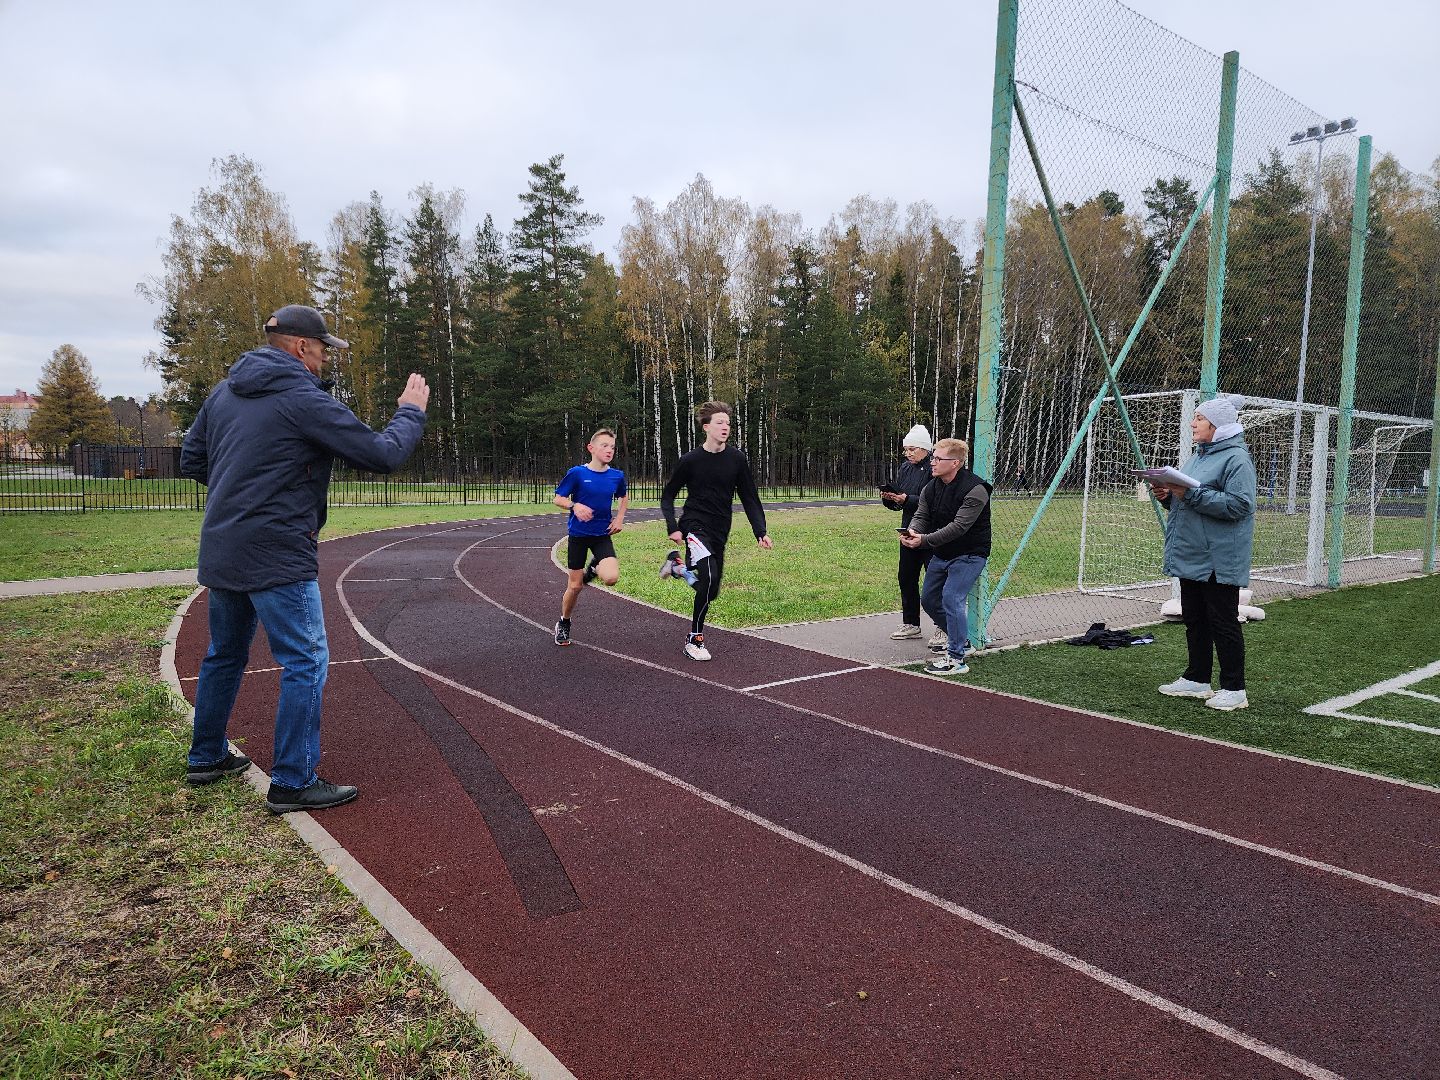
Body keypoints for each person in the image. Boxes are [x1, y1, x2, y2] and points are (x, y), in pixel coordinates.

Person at [180, 305, 430, 813]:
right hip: (277, 553)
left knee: (225, 653)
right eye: (322, 350)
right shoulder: (302, 398)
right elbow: (381, 455)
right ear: (300, 347)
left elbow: (192, 458)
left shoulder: (224, 392)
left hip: (225, 546)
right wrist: (410, 412)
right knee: (306, 659)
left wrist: (244, 496)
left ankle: (205, 755)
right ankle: (293, 781)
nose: (324, 360)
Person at [1151, 393, 1256, 712]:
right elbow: (1188, 499)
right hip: (1192, 552)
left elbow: (1240, 505)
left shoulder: (1237, 459)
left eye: (1199, 418)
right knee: (1194, 617)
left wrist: (1190, 494)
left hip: (1218, 556)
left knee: (1223, 620)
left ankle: (1234, 688)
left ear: (1217, 425)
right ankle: (1197, 679)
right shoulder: (1198, 456)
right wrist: (1168, 496)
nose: (1193, 423)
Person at [659, 401, 772, 661]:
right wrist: (672, 526)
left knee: (711, 590)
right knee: (708, 574)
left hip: (720, 528)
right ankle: (694, 639)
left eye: (728, 424)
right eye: (720, 423)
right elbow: (668, 497)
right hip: (694, 525)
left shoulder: (737, 459)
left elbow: (750, 497)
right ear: (707, 427)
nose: (725, 427)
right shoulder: (690, 460)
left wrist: (760, 531)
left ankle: (678, 568)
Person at [900, 437, 992, 676]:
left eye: (938, 458)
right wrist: (913, 530)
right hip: (942, 552)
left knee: (952, 597)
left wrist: (924, 541)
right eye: (933, 457)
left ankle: (956, 658)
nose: (933, 462)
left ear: (956, 463)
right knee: (930, 600)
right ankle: (962, 640)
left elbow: (959, 527)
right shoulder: (931, 486)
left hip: (970, 553)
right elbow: (922, 514)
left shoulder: (976, 490)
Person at [552, 428, 628, 646]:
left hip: (601, 535)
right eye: (604, 445)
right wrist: (575, 505)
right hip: (578, 536)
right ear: (591, 448)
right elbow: (558, 498)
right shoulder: (577, 473)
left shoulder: (616, 476)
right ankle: (564, 622)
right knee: (575, 587)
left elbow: (624, 496)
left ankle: (594, 567)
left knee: (612, 578)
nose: (609, 450)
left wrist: (620, 519)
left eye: (612, 447)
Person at [881, 424, 934, 641]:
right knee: (906, 576)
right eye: (906, 449)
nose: (908, 453)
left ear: (924, 448)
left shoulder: (934, 467)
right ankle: (911, 623)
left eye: (913, 449)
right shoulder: (905, 468)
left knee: (934, 580)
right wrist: (891, 499)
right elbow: (902, 500)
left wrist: (907, 499)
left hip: (932, 532)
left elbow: (932, 500)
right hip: (908, 529)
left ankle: (942, 626)